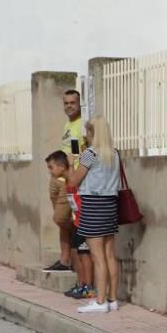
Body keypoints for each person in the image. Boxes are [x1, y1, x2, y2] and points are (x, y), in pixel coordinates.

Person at [68, 117, 120, 314]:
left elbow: (74, 181)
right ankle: (112, 298)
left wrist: (73, 162)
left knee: (97, 256)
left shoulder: (90, 154)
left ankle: (100, 301)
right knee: (109, 254)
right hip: (110, 205)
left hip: (92, 204)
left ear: (91, 133)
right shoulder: (114, 153)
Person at [45, 89, 87, 272]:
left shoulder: (79, 126)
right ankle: (65, 259)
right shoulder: (67, 126)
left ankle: (73, 255)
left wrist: (70, 175)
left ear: (79, 104)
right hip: (57, 178)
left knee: (62, 218)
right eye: (66, 103)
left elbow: (75, 154)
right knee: (62, 220)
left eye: (73, 103)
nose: (69, 106)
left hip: (68, 180)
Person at [45, 150, 93, 298]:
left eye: (51, 167)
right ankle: (80, 285)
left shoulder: (74, 180)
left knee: (84, 255)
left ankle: (88, 288)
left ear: (61, 166)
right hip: (77, 221)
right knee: (76, 254)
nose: (50, 171)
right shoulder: (66, 182)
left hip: (85, 221)